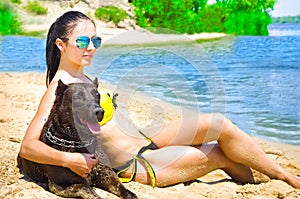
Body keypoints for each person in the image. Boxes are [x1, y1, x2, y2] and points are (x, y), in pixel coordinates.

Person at [19, 11, 300, 190]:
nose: (91, 48)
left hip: (144, 138)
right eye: (82, 42)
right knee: (217, 154)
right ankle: (277, 179)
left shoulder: (83, 77)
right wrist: (70, 159)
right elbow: (28, 147)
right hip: (137, 163)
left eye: (96, 41)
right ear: (61, 45)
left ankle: (281, 175)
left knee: (219, 123)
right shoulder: (58, 88)